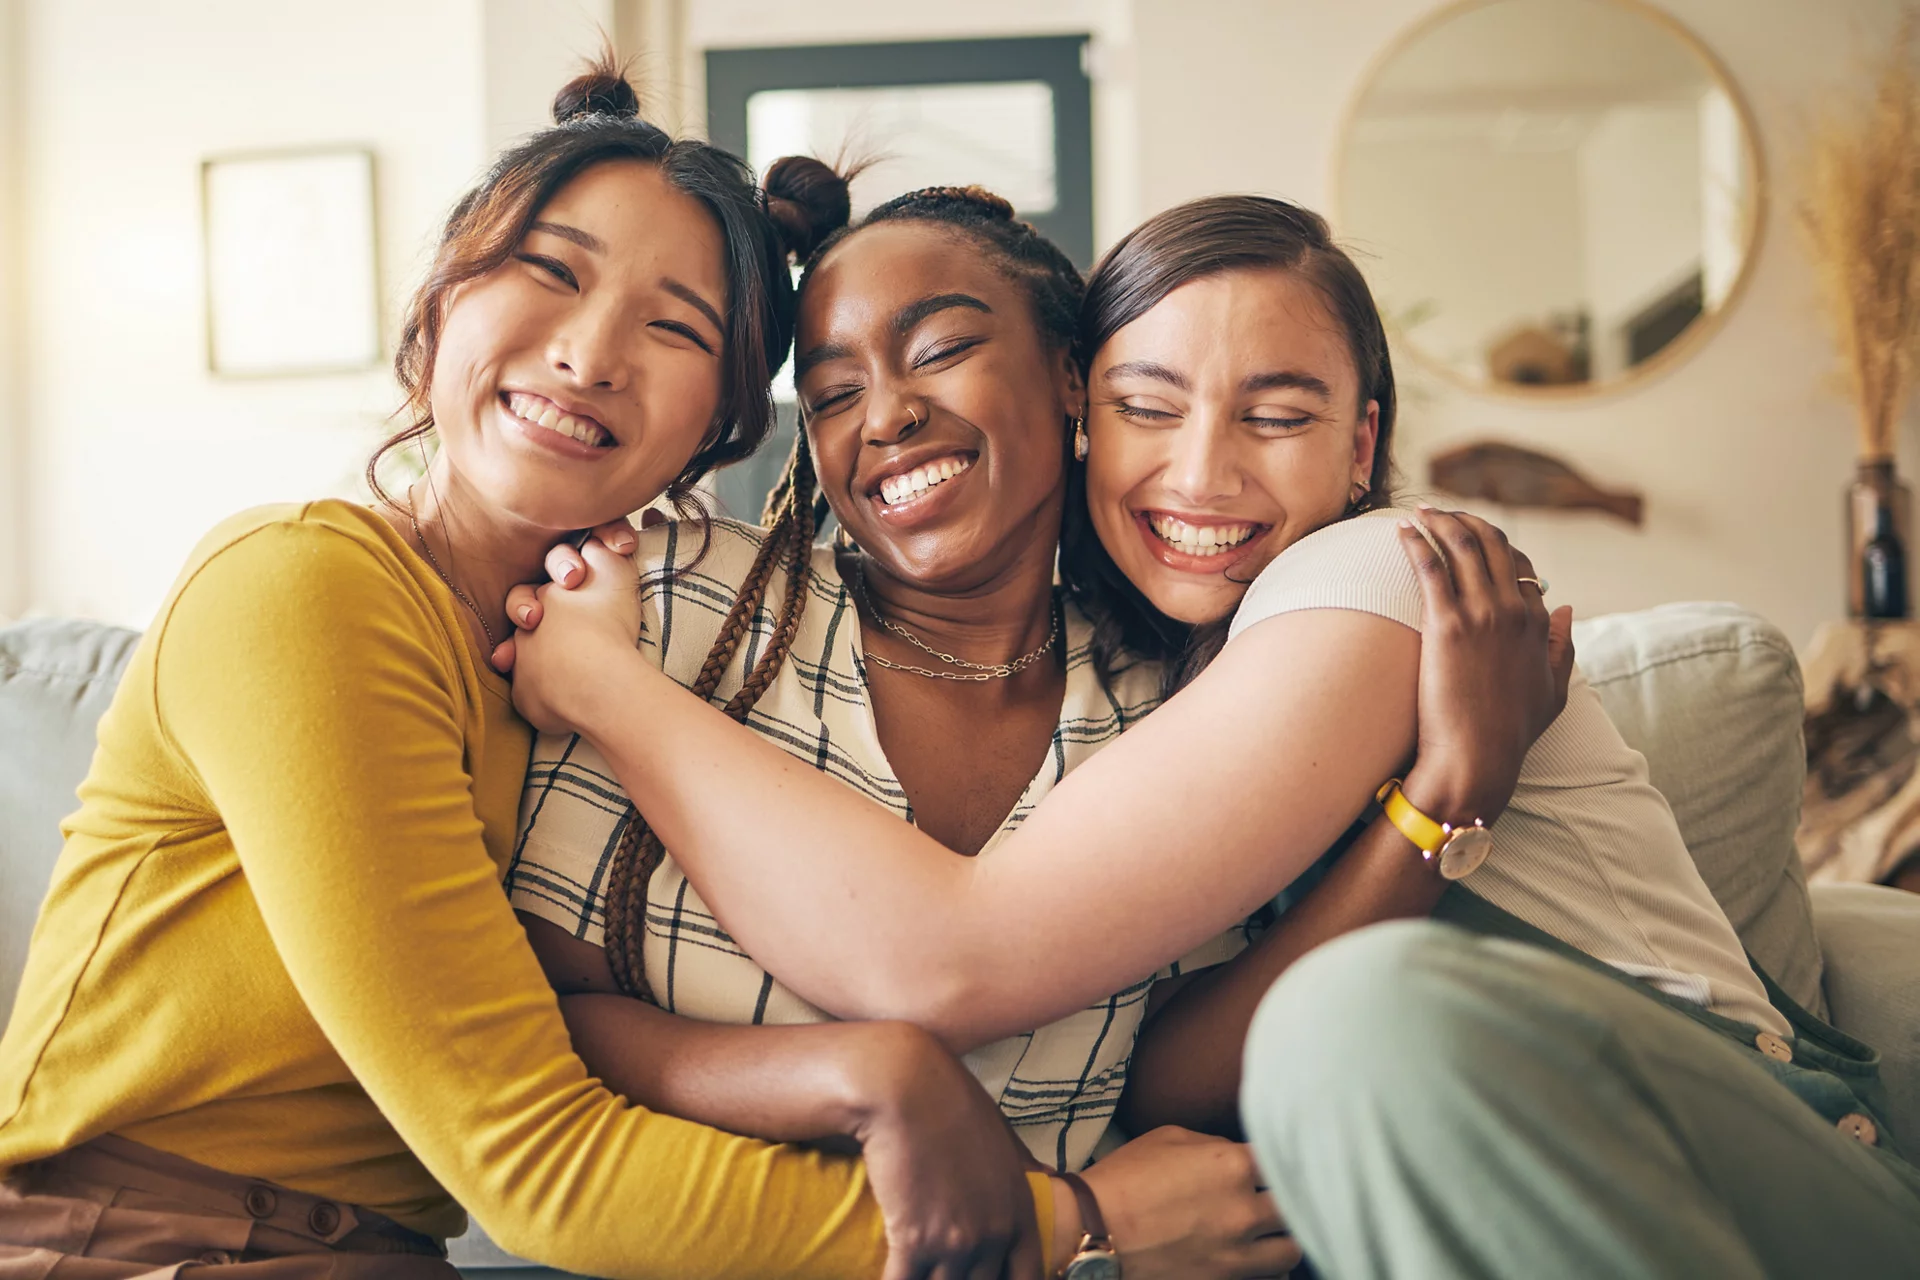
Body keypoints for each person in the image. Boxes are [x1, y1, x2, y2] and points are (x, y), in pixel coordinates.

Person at [502, 193, 1920, 1277]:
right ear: (1094, 409)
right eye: (1151, 407)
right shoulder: (1171, 682)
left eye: (1279, 415)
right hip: (1466, 1144)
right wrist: (1438, 799)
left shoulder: (1375, 578)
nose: (1199, 472)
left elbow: (955, 960)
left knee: (1351, 1023)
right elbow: (1176, 1068)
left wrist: (611, 691)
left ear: (1361, 446)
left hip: (1718, 1131)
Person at [1, 60, 1056, 1280]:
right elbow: (536, 1158)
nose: (590, 353)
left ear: (715, 427)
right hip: (127, 1239)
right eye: (549, 272)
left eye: (675, 327)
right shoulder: (304, 587)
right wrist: (1083, 1229)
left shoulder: (610, 648)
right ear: (441, 299)